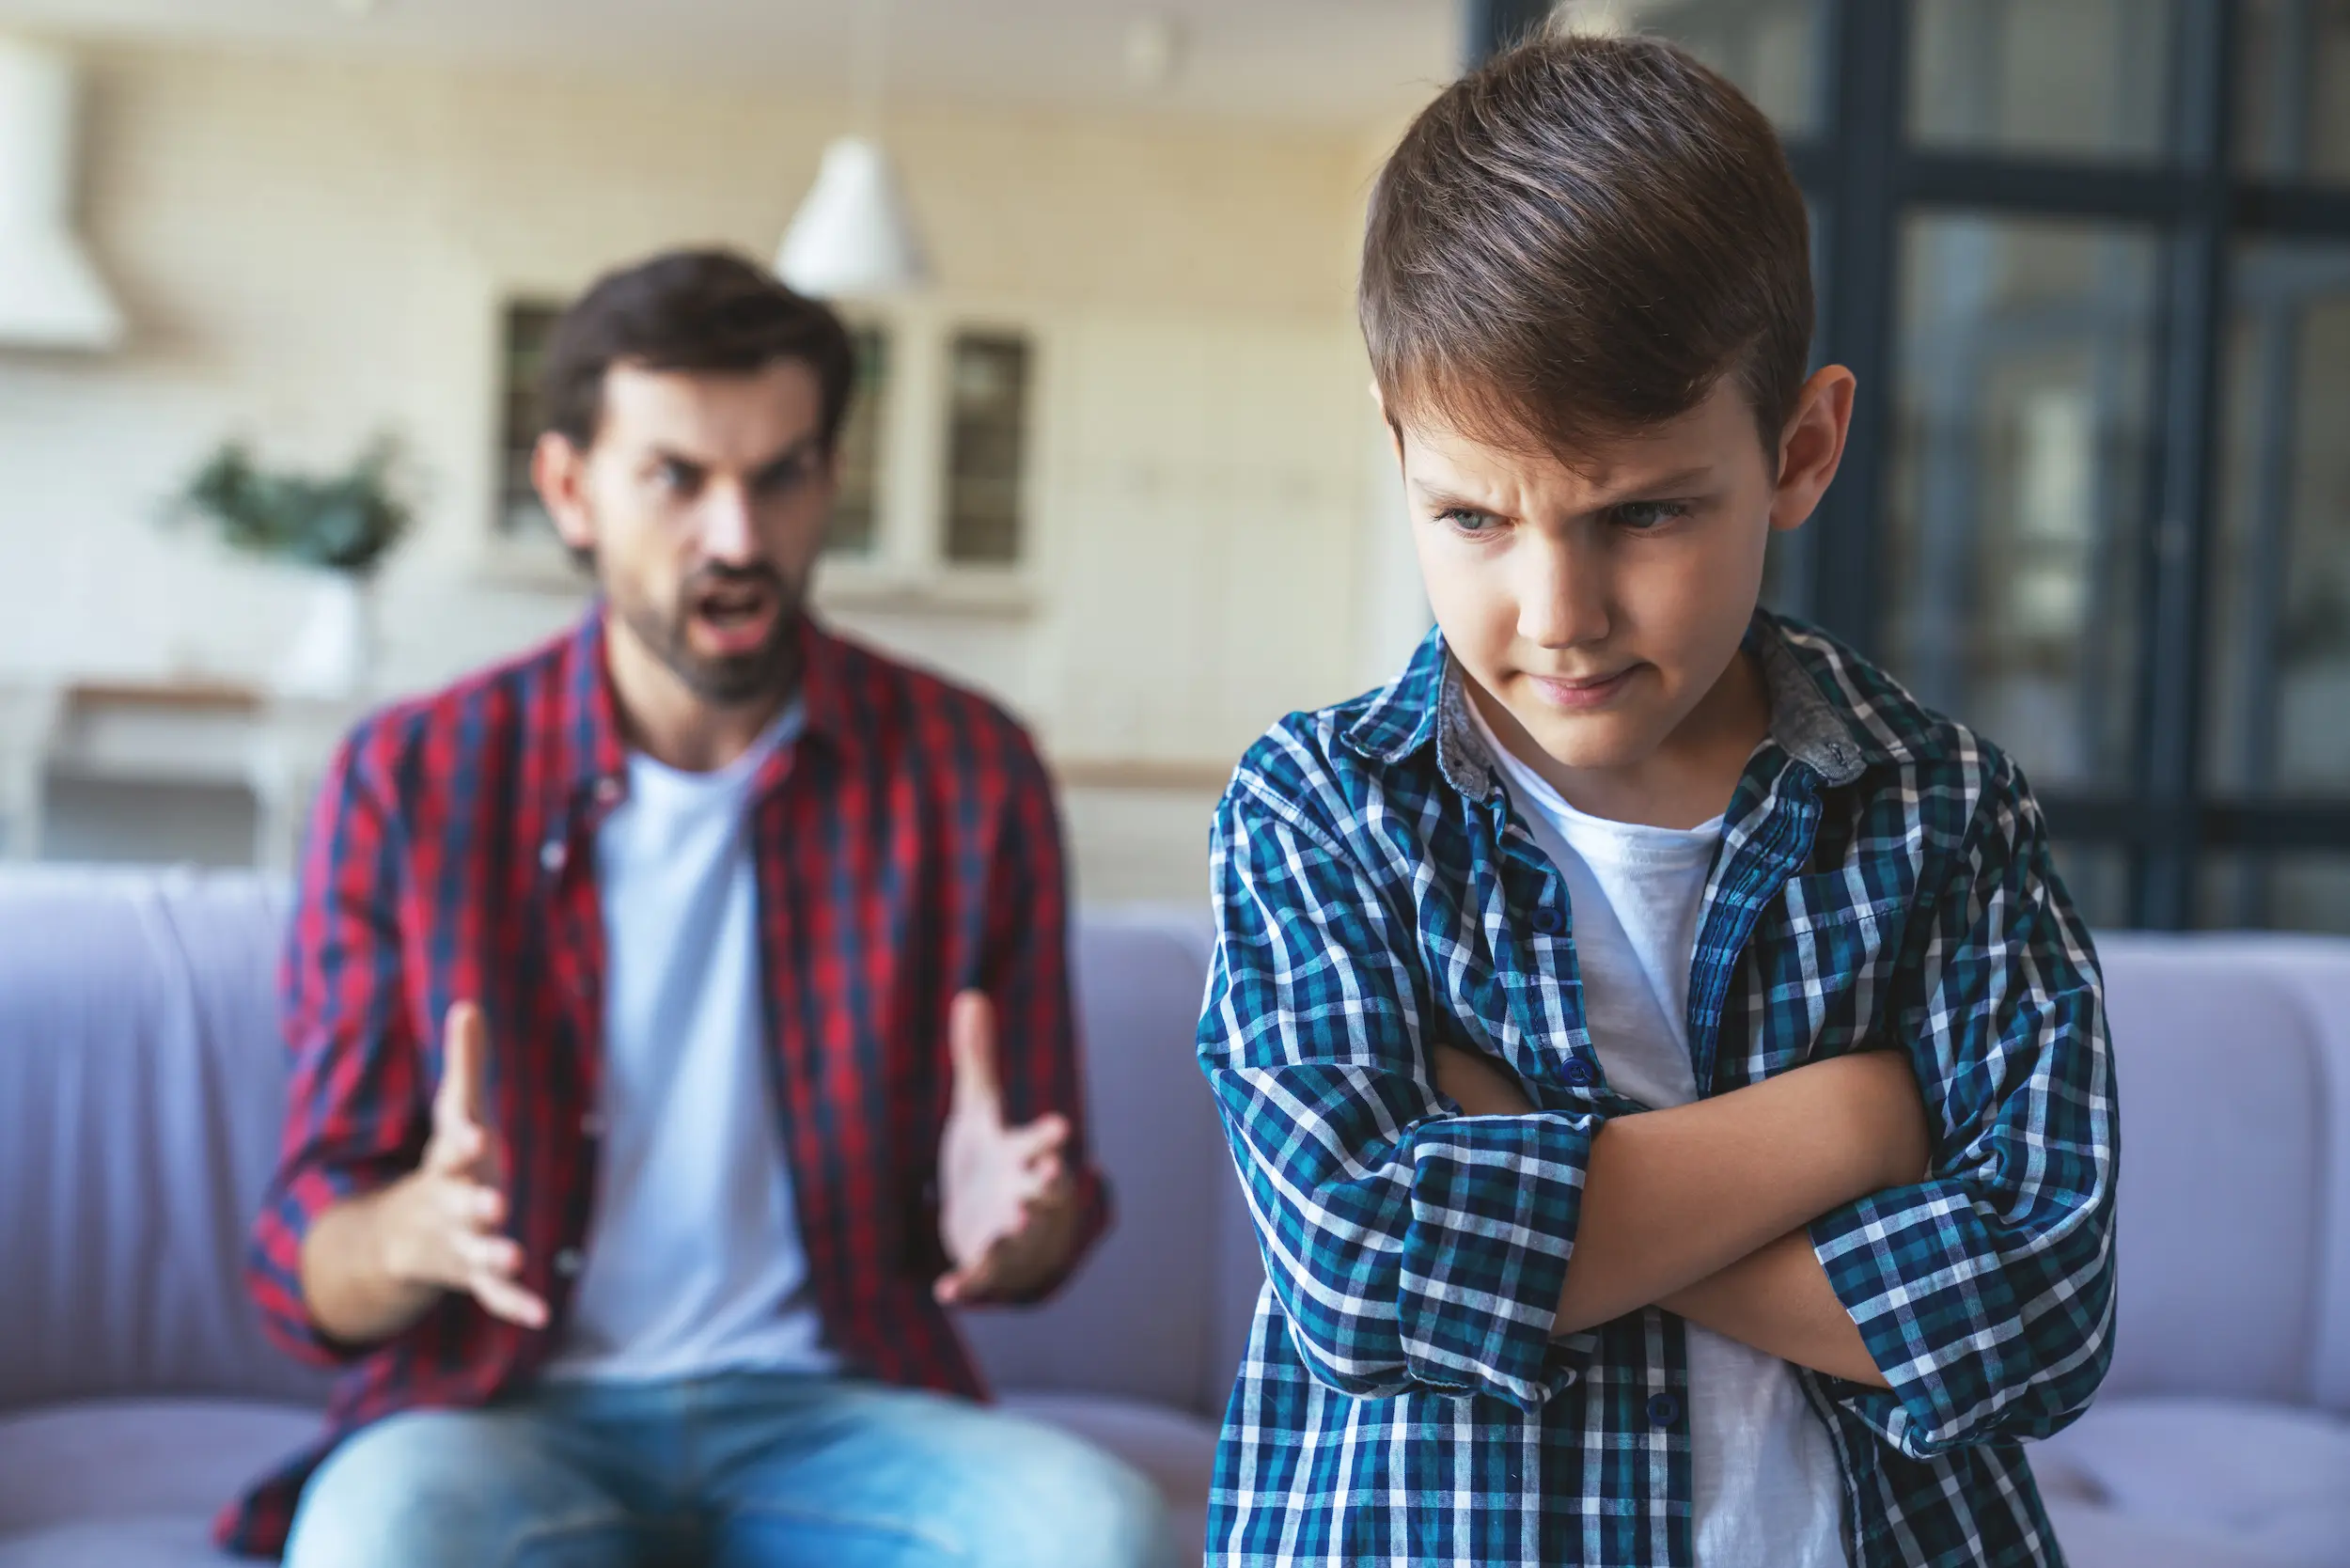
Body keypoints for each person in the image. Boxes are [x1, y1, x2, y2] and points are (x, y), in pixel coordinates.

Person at [1197, 30, 2116, 1568]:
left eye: (1643, 513)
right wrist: (1845, 1122)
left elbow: (2036, 1319)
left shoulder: (1946, 811)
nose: (1558, 609)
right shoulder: (1321, 808)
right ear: (1397, 449)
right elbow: (1363, 1271)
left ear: (1800, 450)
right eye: (1472, 515)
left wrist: (1538, 1168)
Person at [218, 249, 1170, 1566]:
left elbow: (1045, 1217)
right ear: (571, 489)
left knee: (1095, 1529)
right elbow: (301, 1268)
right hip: (508, 1413)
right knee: (375, 1533)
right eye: (676, 477)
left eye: (780, 475)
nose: (736, 537)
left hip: (840, 1410)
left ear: (830, 480)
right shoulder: (414, 779)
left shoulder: (968, 772)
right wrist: (412, 1232)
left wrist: (1016, 1228)